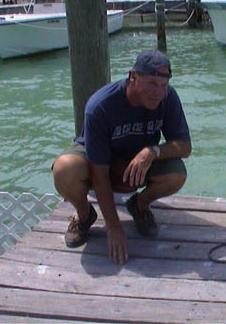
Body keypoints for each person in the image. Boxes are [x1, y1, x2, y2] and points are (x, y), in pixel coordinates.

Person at [52, 50, 191, 264]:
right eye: (152, 84)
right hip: (100, 163)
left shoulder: (168, 98)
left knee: (177, 172)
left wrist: (152, 151)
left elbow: (184, 147)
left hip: (137, 164)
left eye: (163, 86)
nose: (158, 93)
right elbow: (99, 174)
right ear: (133, 76)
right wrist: (114, 227)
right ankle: (84, 214)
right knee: (64, 168)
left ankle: (140, 205)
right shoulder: (100, 106)